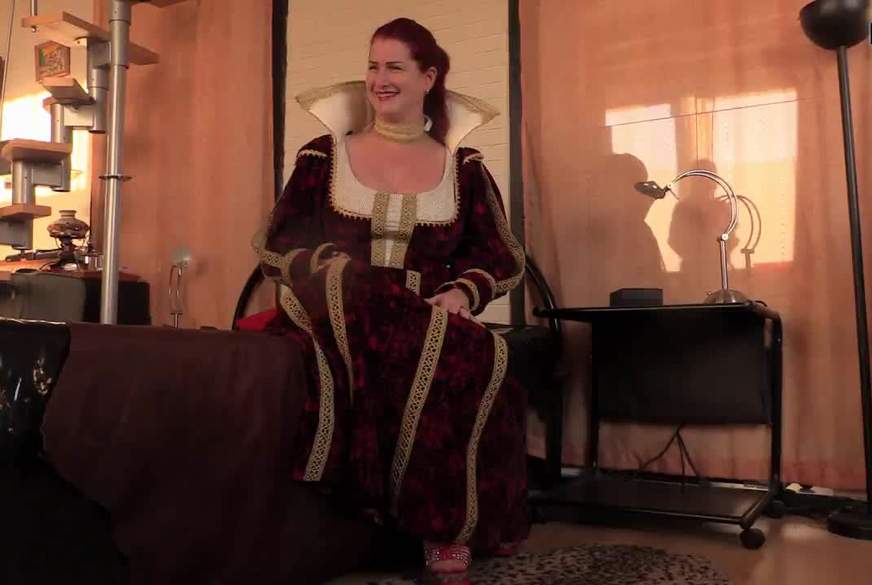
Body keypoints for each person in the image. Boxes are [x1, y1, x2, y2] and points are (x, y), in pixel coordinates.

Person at [242, 17, 528, 583]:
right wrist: (327, 268)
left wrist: (462, 290)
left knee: (478, 357)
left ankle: (444, 525)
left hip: (423, 318)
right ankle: (420, 522)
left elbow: (500, 256)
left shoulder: (465, 169)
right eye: (373, 66)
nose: (379, 79)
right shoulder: (321, 157)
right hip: (332, 309)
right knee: (372, 297)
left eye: (394, 66)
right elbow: (277, 243)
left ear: (429, 77)